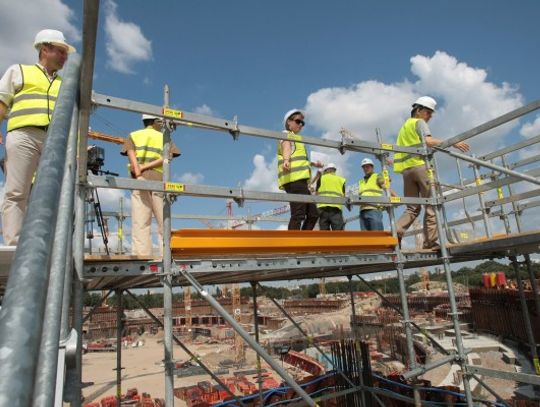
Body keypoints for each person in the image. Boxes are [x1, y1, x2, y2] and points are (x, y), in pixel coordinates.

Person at [0, 29, 75, 245]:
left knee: (54, 194)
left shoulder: (65, 84)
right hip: (24, 135)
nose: (65, 57)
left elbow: (72, 118)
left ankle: (48, 247)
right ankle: (15, 244)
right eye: (61, 52)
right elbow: (2, 102)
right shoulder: (19, 71)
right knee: (17, 191)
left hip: (55, 141)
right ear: (45, 49)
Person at [394, 96, 469, 249]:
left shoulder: (404, 127)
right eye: (428, 112)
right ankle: (429, 243)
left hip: (407, 171)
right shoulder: (418, 122)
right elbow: (428, 141)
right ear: (418, 110)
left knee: (412, 208)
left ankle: (396, 234)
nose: (430, 116)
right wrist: (452, 142)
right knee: (431, 205)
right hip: (421, 167)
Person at [121, 114, 181, 256]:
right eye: (160, 122)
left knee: (140, 223)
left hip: (138, 181)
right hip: (160, 181)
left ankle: (142, 256)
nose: (161, 125)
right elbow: (167, 157)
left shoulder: (133, 135)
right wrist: (146, 167)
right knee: (163, 222)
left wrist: (139, 173)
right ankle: (166, 255)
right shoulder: (164, 138)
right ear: (155, 122)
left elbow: (132, 156)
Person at [278, 109, 323, 230]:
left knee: (313, 214)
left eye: (302, 123)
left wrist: (313, 164)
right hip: (294, 180)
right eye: (298, 121)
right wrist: (286, 160)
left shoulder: (297, 140)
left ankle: (302, 243)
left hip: (301, 181)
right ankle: (292, 246)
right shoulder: (286, 134)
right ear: (289, 122)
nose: (301, 125)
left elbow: (299, 159)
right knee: (298, 214)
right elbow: (286, 147)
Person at [359, 158, 388, 230]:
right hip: (362, 211)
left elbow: (386, 188)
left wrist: (395, 197)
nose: (365, 168)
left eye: (367, 166)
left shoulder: (377, 176)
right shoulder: (361, 181)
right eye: (364, 167)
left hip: (374, 209)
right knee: (366, 238)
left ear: (372, 167)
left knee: (377, 235)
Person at [316, 163, 346, 230]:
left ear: (326, 170)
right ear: (334, 170)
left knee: (324, 235)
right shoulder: (341, 180)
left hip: (323, 210)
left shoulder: (321, 178)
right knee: (338, 234)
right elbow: (344, 196)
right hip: (336, 210)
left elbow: (317, 194)